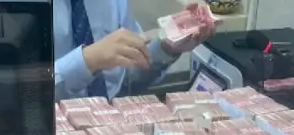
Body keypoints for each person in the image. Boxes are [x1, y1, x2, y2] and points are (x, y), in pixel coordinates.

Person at [54, 0, 216, 101]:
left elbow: (126, 80)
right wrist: (88, 61)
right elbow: (36, 98)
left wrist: (166, 47)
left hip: (110, 127)